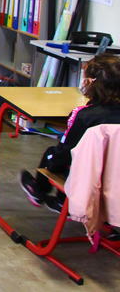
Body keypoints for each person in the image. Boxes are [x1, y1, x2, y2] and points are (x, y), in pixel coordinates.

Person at [20, 54, 120, 212]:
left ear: (90, 83)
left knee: (54, 155)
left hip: (90, 179)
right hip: (116, 179)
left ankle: (43, 192)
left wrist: (53, 163)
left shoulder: (85, 116)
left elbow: (67, 152)